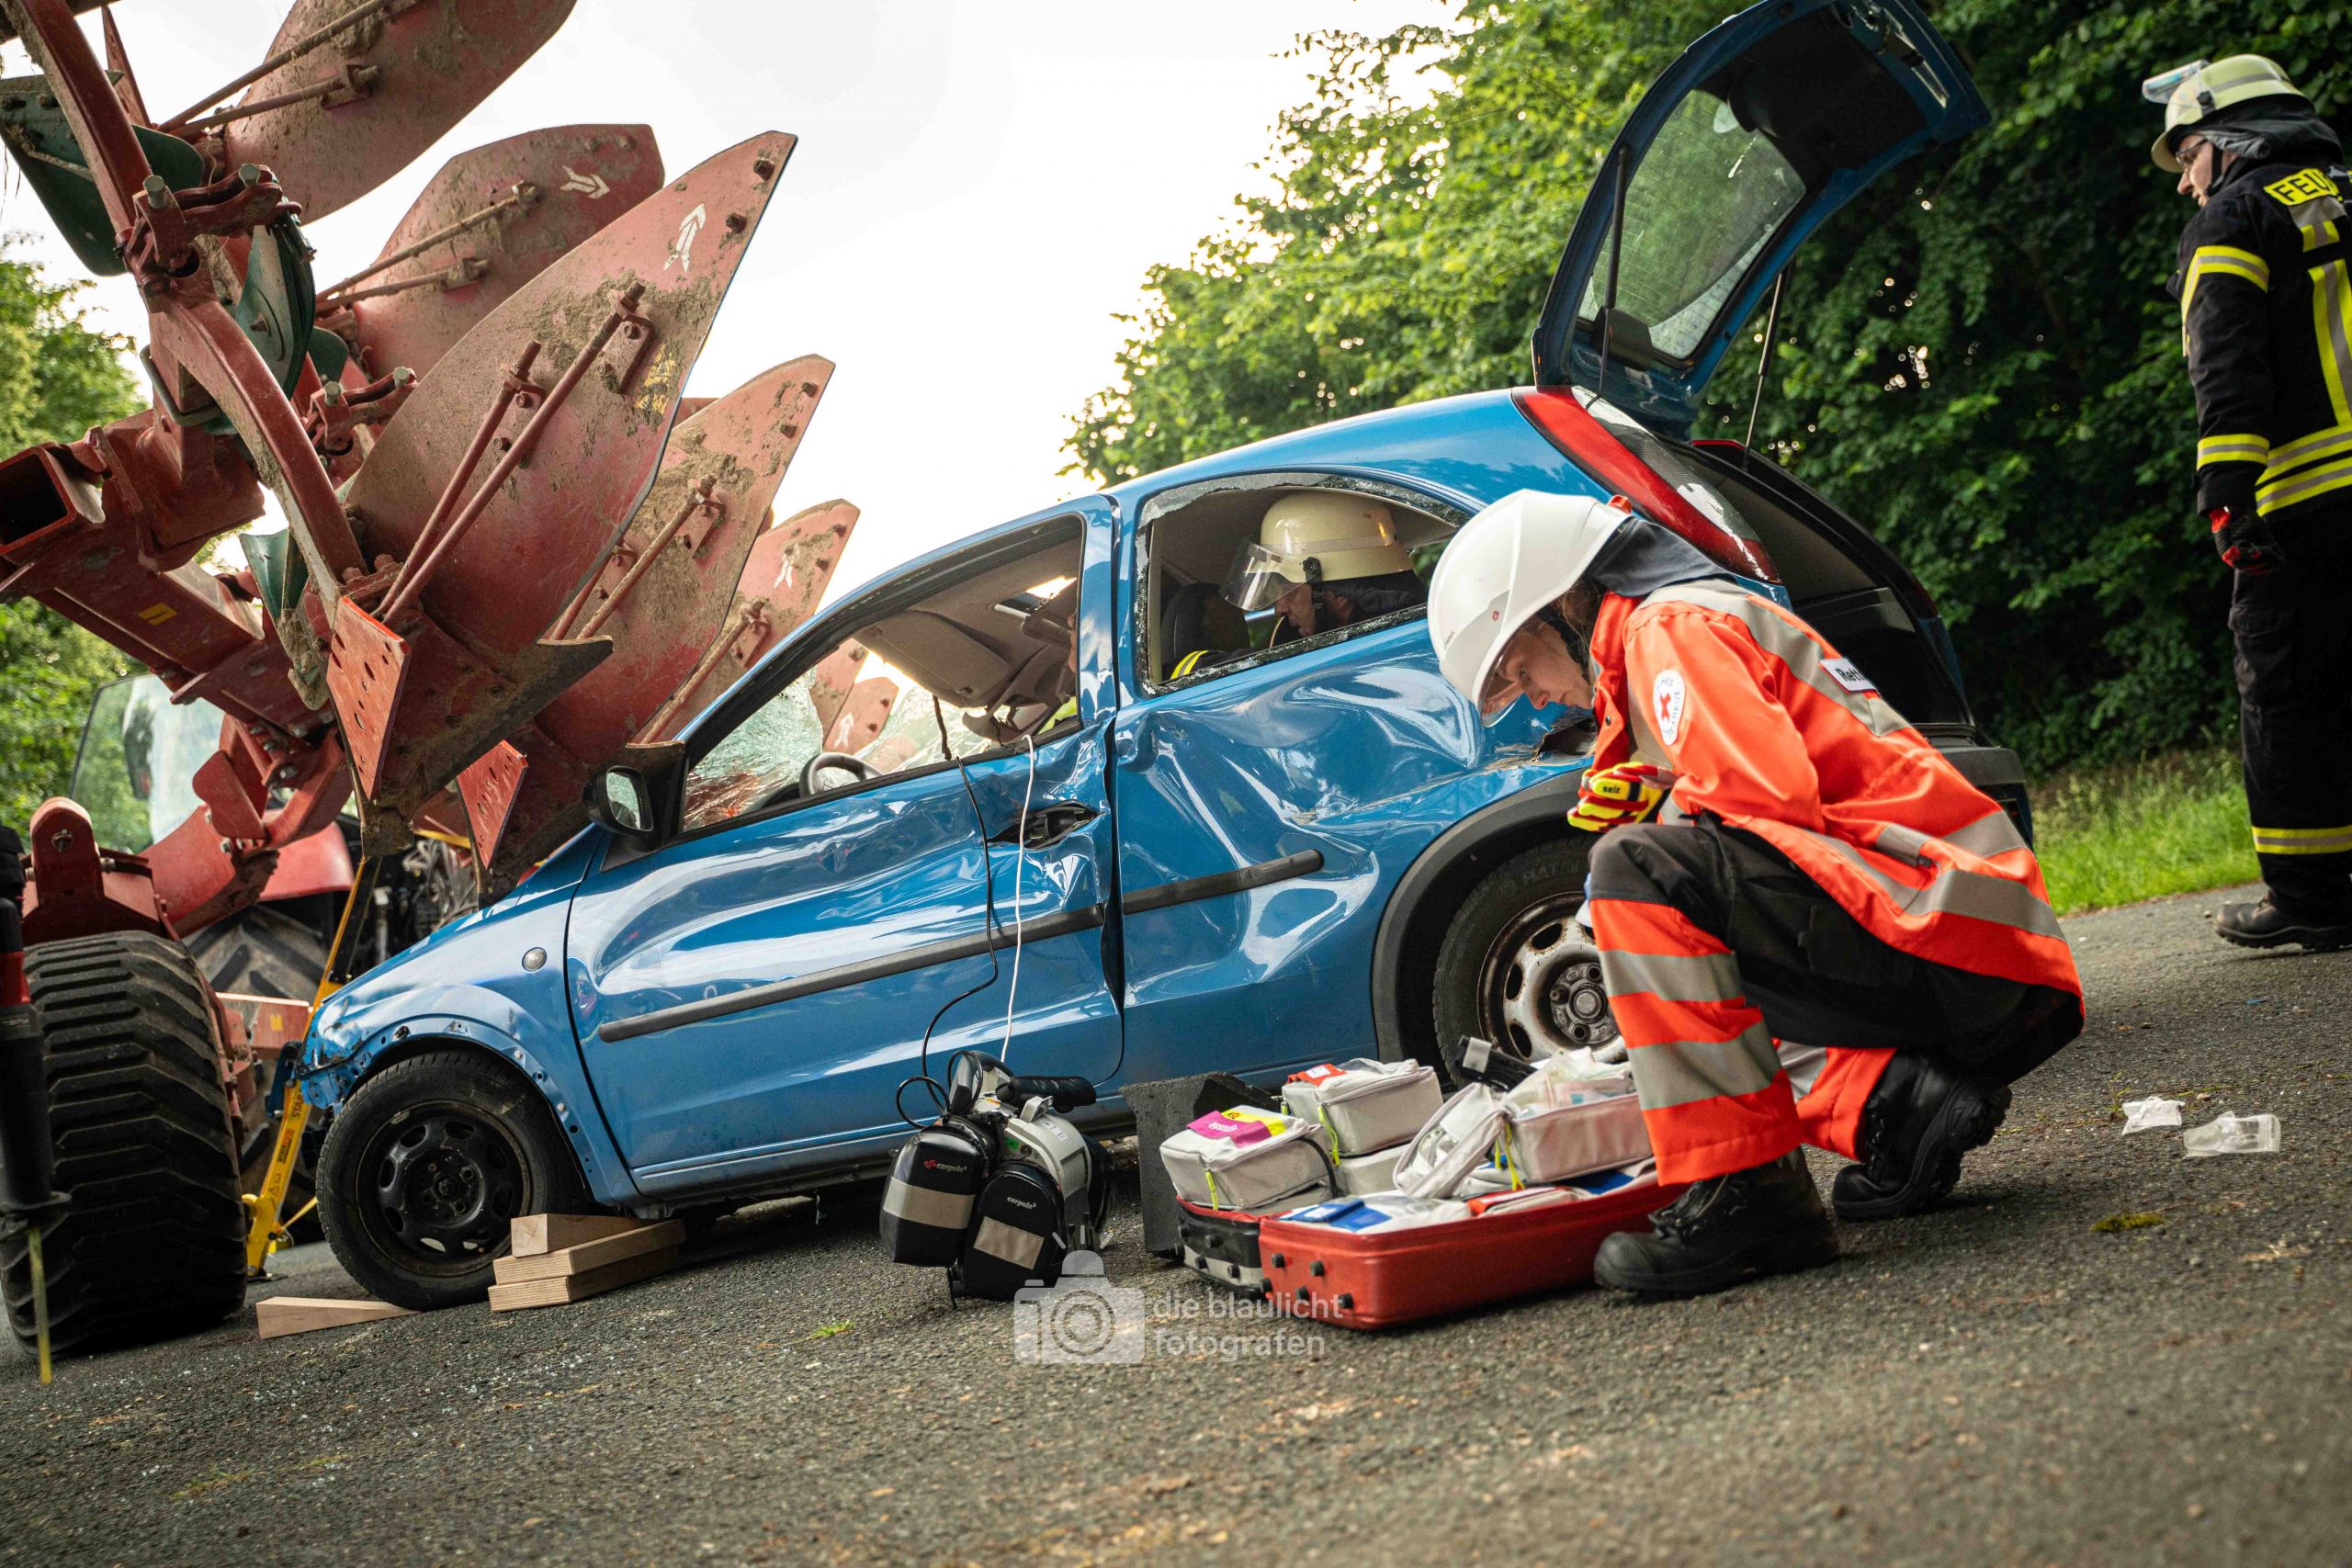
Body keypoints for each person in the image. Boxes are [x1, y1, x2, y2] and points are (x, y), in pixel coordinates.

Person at [1427, 491, 2085, 1297]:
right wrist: (1663, 795)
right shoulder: (1685, 624)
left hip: (1942, 935)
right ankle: (1893, 1108)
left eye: (1520, 668)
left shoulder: (1670, 626)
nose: (1531, 696)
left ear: (1561, 606)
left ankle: (1750, 1191)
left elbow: (1767, 804)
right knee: (1644, 917)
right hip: (1967, 938)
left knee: (1634, 881)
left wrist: (1662, 818)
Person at [2148, 57, 2352, 951]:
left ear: (2228, 142)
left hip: (2308, 498)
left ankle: (2311, 894)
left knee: (2288, 691)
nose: (2185, 183)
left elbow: (2228, 365)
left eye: (2187, 156)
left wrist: (2226, 499)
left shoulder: (2234, 218)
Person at [1169, 492, 1426, 677]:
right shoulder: (1405, 635)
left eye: (1288, 590)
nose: (1280, 609)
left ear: (1339, 594)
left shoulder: (1368, 655)